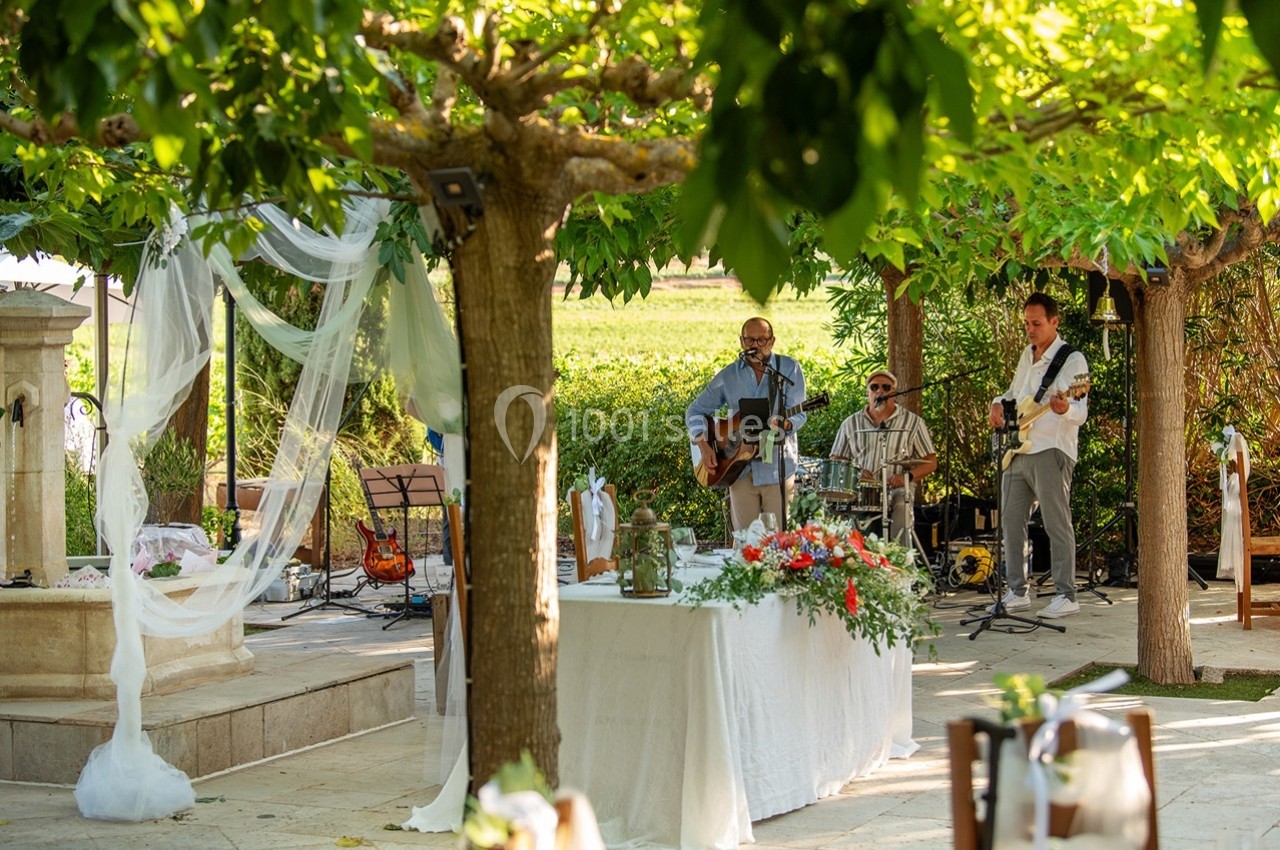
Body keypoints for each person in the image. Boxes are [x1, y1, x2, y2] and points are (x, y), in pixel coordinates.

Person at [989, 292, 1090, 619]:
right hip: (1018, 450)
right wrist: (996, 402)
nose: (1030, 330)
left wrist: (1065, 408)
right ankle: (1017, 591)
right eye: (1027, 324)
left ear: (1054, 322)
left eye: (1036, 323)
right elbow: (1015, 395)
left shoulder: (1073, 360)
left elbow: (1081, 409)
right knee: (1010, 520)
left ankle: (1066, 594)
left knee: (1056, 522)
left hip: (1052, 450)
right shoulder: (1026, 355)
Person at [686, 317, 807, 530]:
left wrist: (786, 425)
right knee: (744, 541)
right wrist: (703, 445)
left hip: (777, 469)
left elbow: (799, 414)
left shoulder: (788, 369)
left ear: (772, 341)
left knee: (778, 542)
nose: (756, 345)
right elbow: (696, 411)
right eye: (750, 340)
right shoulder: (729, 375)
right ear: (742, 342)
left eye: (762, 340)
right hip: (739, 468)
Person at [828, 368, 937, 544]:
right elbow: (836, 460)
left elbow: (931, 462)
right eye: (874, 387)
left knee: (902, 505)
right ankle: (853, 557)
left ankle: (900, 559)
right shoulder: (850, 423)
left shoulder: (913, 422)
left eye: (886, 388)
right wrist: (855, 472)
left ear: (894, 393)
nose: (880, 391)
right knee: (835, 507)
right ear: (868, 393)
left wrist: (906, 477)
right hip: (860, 490)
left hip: (897, 489)